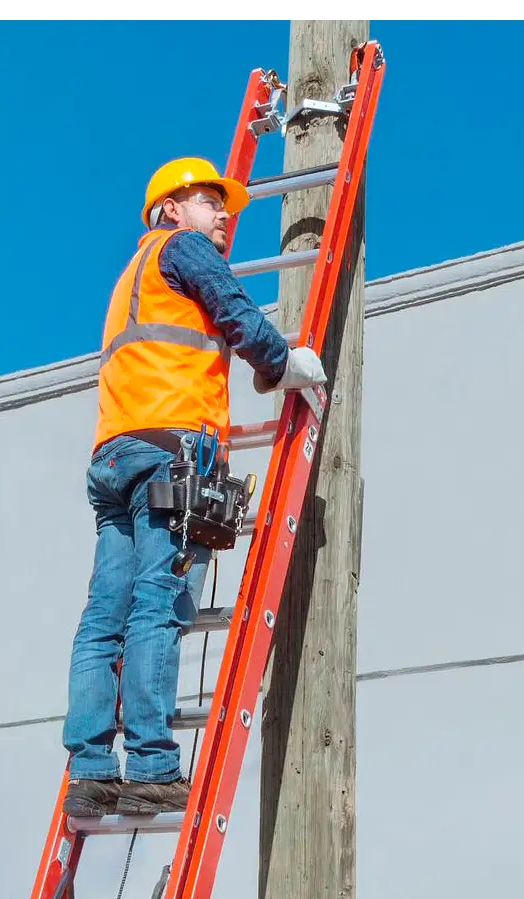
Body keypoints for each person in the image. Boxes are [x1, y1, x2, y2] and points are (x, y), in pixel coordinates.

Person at [61, 156, 327, 817]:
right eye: (213, 202)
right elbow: (233, 307)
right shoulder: (182, 249)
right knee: (158, 607)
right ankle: (151, 764)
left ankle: (92, 771)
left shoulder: (134, 271)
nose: (225, 215)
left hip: (116, 453)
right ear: (172, 209)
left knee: (103, 621)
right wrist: (280, 365)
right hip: (173, 449)